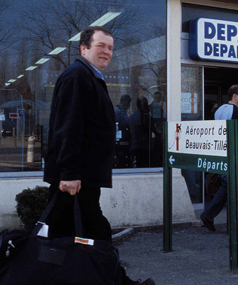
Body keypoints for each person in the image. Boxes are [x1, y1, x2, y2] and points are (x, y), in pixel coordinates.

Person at [43, 26, 153, 285]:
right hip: (76, 180)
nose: (107, 52)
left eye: (111, 48)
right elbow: (67, 126)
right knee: (92, 234)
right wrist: (69, 172)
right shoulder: (77, 76)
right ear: (84, 48)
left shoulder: (90, 77)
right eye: (101, 45)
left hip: (84, 178)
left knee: (73, 238)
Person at [200, 84, 238, 236]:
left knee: (226, 187)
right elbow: (237, 137)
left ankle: (209, 215)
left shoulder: (219, 110)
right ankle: (234, 225)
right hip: (232, 155)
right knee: (235, 189)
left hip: (219, 153)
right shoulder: (237, 112)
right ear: (235, 96)